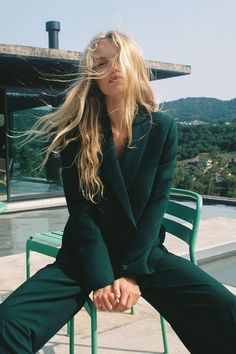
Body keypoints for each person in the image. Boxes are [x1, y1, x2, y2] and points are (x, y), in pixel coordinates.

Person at [0, 31, 235, 354]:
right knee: (9, 322)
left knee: (225, 309)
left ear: (136, 65)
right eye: (101, 62)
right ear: (91, 75)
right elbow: (82, 214)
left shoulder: (161, 127)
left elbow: (155, 206)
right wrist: (100, 278)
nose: (112, 68)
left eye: (120, 59)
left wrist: (132, 274)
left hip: (143, 253)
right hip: (85, 255)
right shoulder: (75, 131)